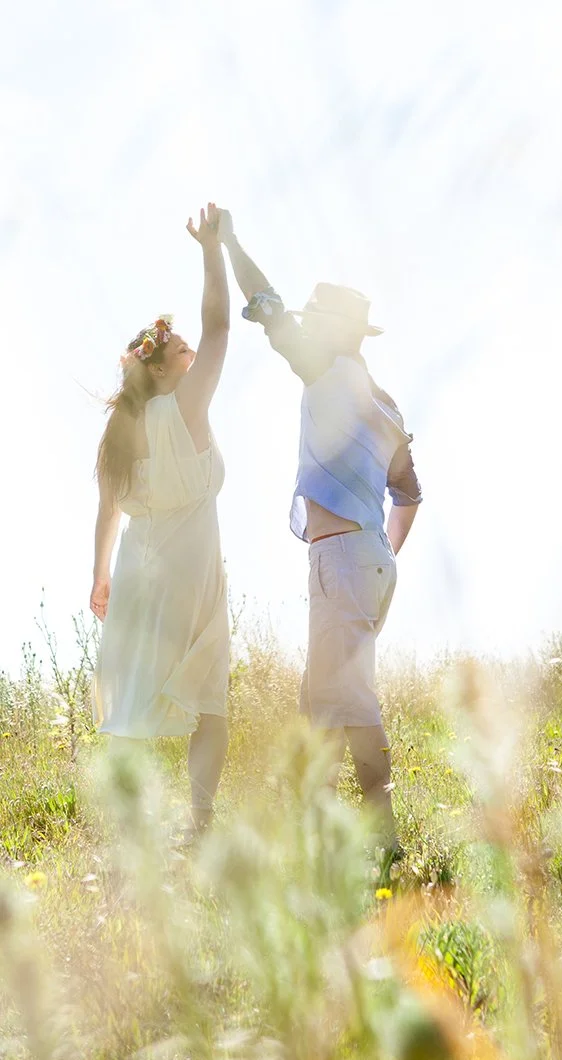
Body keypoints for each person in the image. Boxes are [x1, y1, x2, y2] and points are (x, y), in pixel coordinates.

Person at [217, 207, 422, 860]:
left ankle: (383, 840)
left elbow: (267, 307)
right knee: (323, 696)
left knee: (349, 700)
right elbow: (410, 491)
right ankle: (323, 833)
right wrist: (379, 551)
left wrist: (231, 242)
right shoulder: (380, 398)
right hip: (369, 558)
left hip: (344, 557)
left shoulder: (329, 371)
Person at [90, 203, 231, 841]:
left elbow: (109, 507)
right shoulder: (185, 407)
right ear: (158, 369)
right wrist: (211, 249)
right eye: (176, 347)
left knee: (131, 708)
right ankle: (199, 826)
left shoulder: (125, 429)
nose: (188, 346)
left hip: (138, 572)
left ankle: (129, 837)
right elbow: (222, 328)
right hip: (189, 574)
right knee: (208, 704)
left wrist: (99, 576)